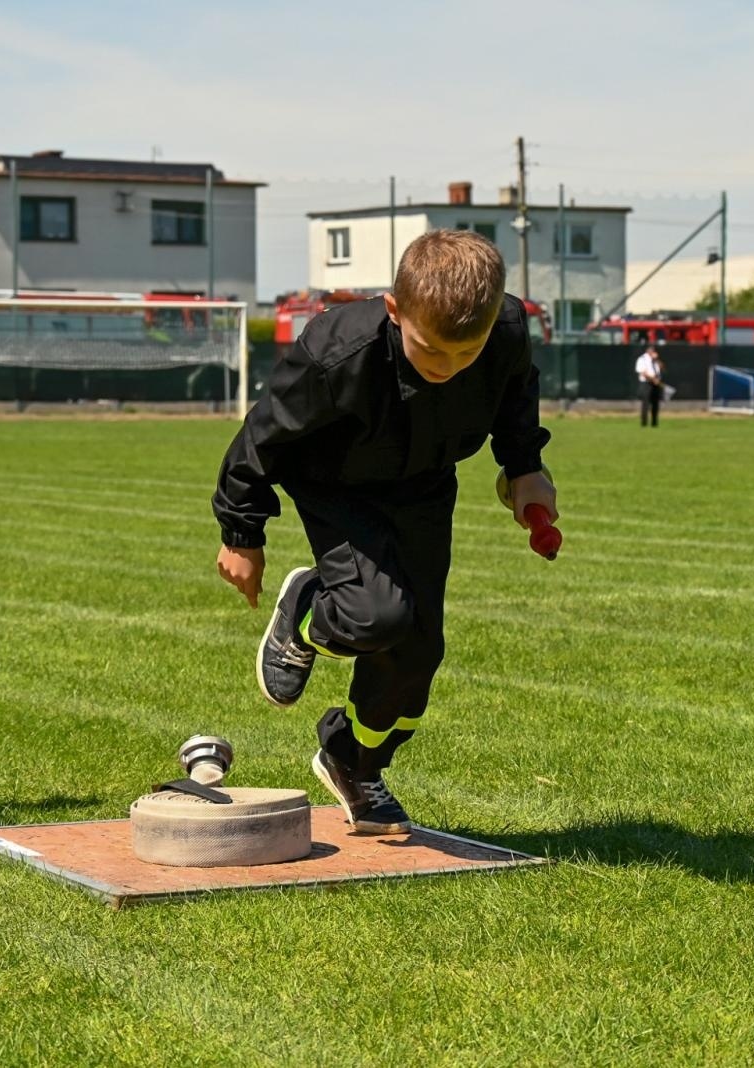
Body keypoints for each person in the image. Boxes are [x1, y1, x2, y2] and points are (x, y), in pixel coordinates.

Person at [211, 230, 556, 834]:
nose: (449, 371)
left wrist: (525, 467)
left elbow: (514, 395)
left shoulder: (502, 330)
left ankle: (354, 763)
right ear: (395, 311)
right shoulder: (335, 351)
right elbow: (262, 437)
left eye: (465, 355)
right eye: (432, 353)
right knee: (376, 616)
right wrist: (242, 533)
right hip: (334, 483)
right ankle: (309, 604)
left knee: (418, 652)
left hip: (424, 482)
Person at [635, 344, 664, 426]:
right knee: (645, 404)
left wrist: (657, 359)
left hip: (656, 383)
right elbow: (643, 372)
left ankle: (654, 423)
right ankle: (644, 423)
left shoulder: (655, 360)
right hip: (646, 383)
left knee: (655, 403)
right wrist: (653, 379)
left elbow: (662, 368)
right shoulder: (642, 359)